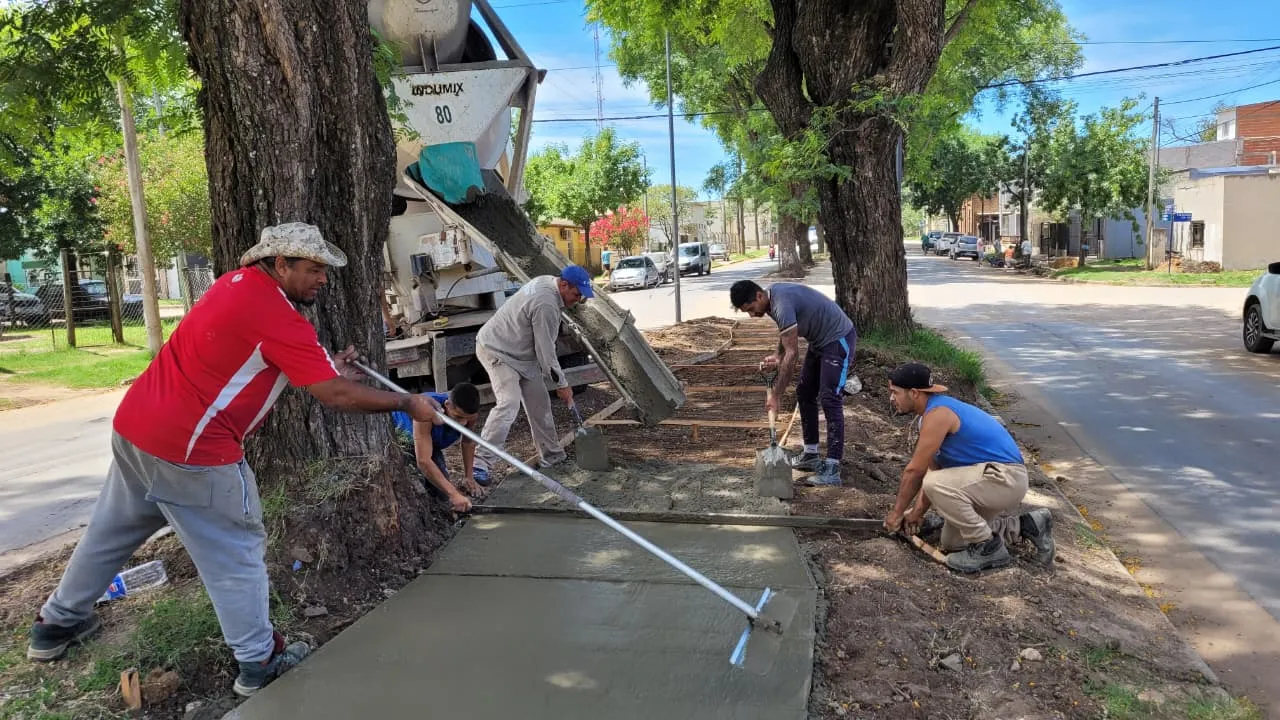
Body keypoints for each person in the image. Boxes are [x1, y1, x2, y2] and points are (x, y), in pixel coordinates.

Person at [25, 223, 442, 698]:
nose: (322, 279)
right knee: (235, 553)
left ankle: (55, 625)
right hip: (194, 452)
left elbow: (270, 360)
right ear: (279, 264)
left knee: (110, 531)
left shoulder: (234, 285)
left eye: (324, 270)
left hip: (137, 430)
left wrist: (329, 367)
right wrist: (408, 404)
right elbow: (335, 395)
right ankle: (259, 661)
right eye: (312, 269)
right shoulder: (280, 317)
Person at [882, 362, 1055, 573]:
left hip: (1006, 478)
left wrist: (897, 513)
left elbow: (916, 472)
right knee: (953, 543)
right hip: (988, 479)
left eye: (895, 392)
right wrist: (917, 513)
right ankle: (1028, 525)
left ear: (915, 393)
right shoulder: (927, 418)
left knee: (933, 483)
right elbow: (935, 470)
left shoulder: (939, 414)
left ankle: (987, 547)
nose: (891, 398)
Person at [471, 265, 593, 485]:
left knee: (540, 405)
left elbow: (540, 350)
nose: (578, 300)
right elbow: (546, 352)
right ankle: (480, 464)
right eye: (576, 295)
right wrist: (562, 384)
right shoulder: (546, 304)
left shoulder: (548, 280)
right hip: (498, 350)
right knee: (509, 403)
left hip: (523, 356)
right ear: (564, 284)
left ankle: (552, 457)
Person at [730, 279, 857, 486]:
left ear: (759, 296)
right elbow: (786, 335)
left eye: (752, 309)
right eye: (747, 312)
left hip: (838, 339)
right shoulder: (770, 301)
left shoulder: (781, 303)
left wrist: (777, 395)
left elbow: (793, 353)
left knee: (830, 398)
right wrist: (777, 356)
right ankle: (811, 454)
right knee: (805, 392)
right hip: (819, 341)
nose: (752, 315)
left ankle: (832, 469)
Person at [392, 382, 484, 512]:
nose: (462, 423)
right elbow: (423, 461)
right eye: (458, 417)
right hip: (404, 437)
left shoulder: (470, 415)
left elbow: (468, 442)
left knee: (442, 492)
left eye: (466, 419)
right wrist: (454, 494)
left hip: (430, 442)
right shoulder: (425, 411)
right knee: (431, 490)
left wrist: (469, 477)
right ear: (447, 405)